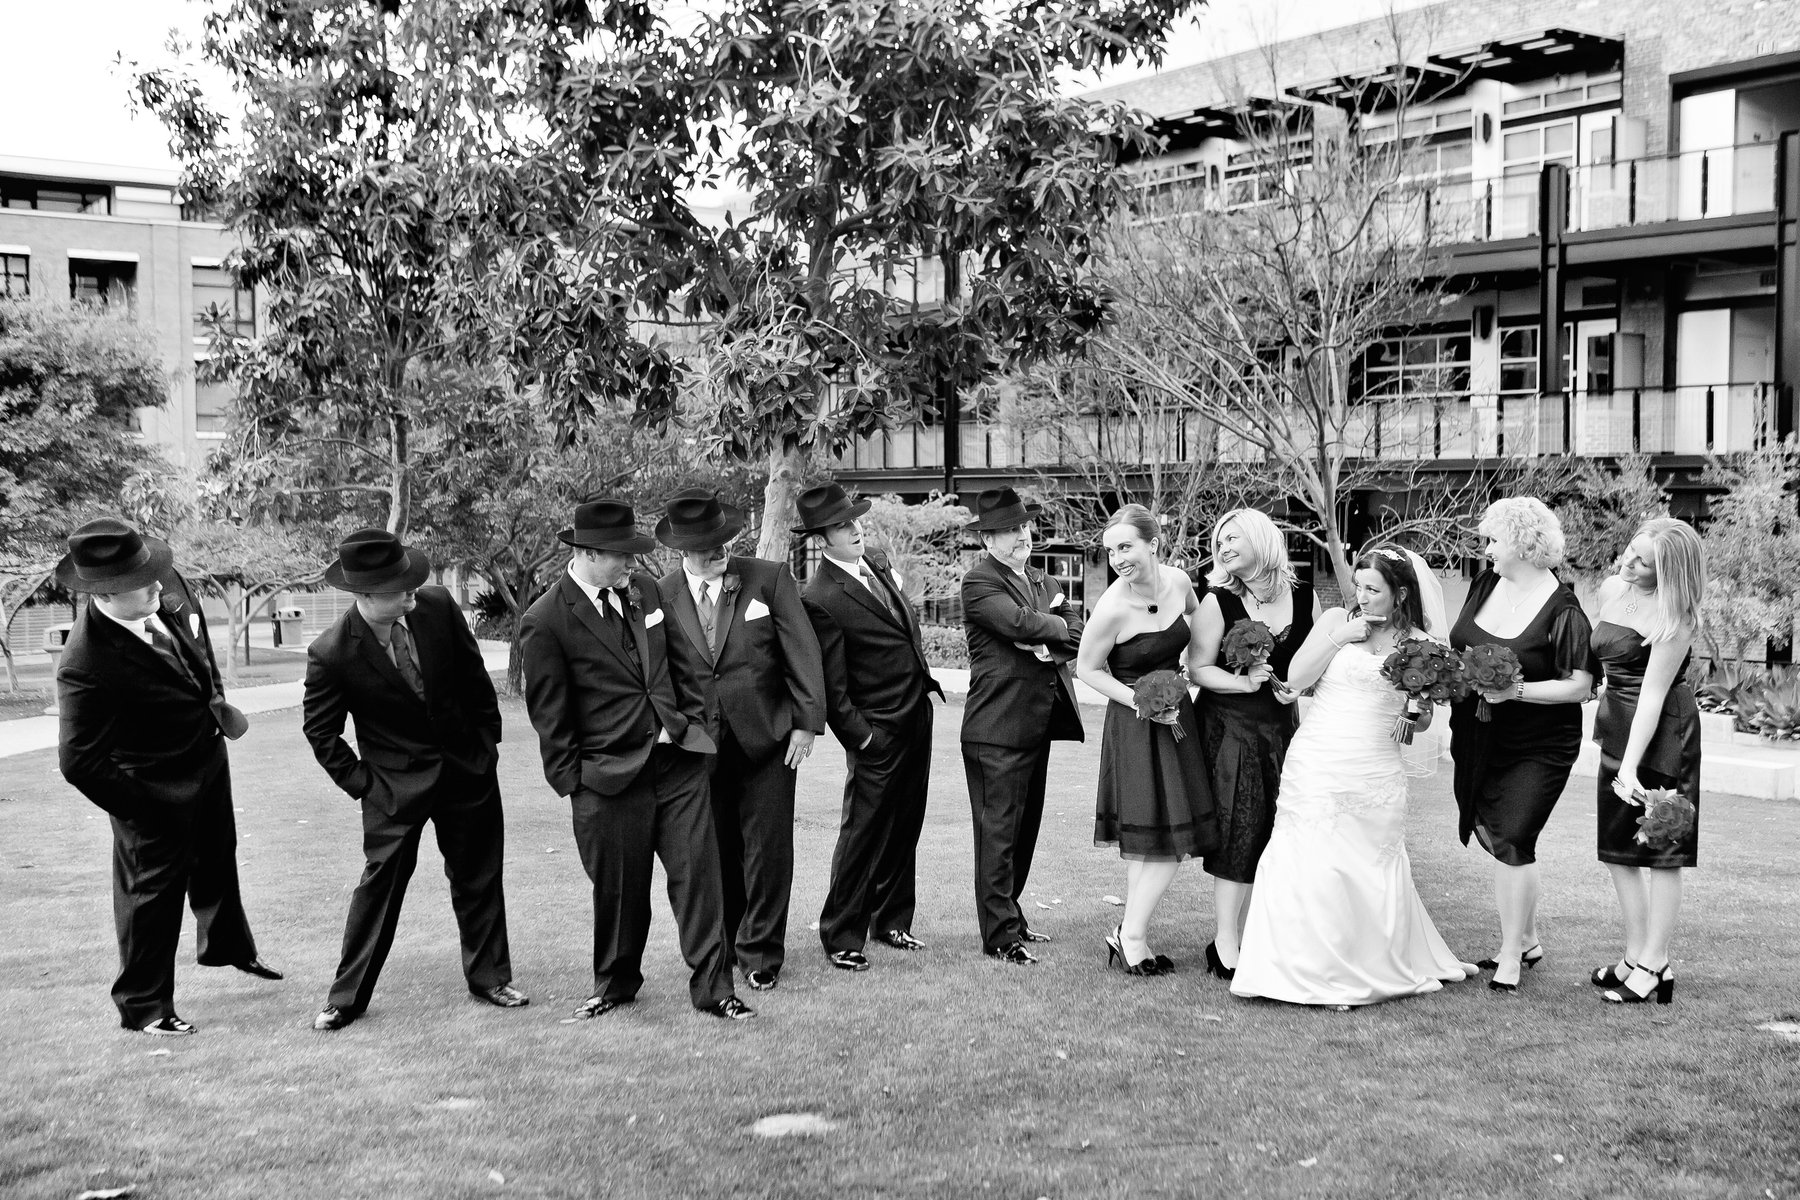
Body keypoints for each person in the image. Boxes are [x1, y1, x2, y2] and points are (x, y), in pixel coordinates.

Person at [521, 498, 753, 1021]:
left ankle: (716, 990)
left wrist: (691, 729)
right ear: (587, 553)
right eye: (621, 555)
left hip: (678, 767)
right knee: (620, 893)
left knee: (700, 881)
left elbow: (682, 664)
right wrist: (576, 783)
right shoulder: (546, 620)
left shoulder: (645, 591)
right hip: (606, 780)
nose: (633, 562)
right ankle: (615, 983)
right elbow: (550, 716)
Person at [54, 516, 279, 1036]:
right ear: (104, 594)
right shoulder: (85, 662)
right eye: (142, 583)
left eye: (153, 574)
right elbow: (78, 761)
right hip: (151, 788)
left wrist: (215, 701)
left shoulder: (162, 586)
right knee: (151, 895)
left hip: (206, 756)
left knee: (218, 855)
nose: (158, 586)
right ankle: (145, 1007)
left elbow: (197, 649)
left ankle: (228, 947)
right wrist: (145, 808)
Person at [1230, 546, 1476, 1008]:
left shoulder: (1422, 645)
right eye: (1358, 586)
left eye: (1373, 589)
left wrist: (1417, 709)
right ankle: (1293, 969)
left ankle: (1356, 968)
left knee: (1365, 865)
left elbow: (1423, 724)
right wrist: (1340, 636)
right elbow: (1297, 677)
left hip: (1375, 765)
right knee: (1306, 859)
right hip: (1317, 758)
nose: (1362, 597)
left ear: (1400, 593)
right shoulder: (1335, 621)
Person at [302, 529, 526, 1031]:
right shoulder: (331, 652)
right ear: (365, 595)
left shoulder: (437, 606)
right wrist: (365, 785)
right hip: (393, 789)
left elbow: (474, 678)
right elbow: (321, 733)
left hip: (467, 772)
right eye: (400, 590)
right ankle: (346, 998)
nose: (411, 594)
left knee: (479, 878)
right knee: (378, 889)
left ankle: (490, 978)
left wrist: (486, 746)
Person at [654, 488, 826, 993]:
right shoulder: (660, 594)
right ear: (681, 550)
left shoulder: (768, 578)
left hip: (769, 739)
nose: (719, 549)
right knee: (717, 850)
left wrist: (806, 722)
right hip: (698, 746)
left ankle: (761, 954)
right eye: (706, 545)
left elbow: (803, 650)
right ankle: (726, 944)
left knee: (769, 851)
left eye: (722, 539)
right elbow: (657, 673)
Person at [1447, 497, 1595, 994]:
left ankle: (1510, 955)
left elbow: (1579, 686)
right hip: (1477, 734)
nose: (1486, 549)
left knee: (1514, 837)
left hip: (1539, 744)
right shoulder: (1484, 584)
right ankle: (1528, 940)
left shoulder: (1564, 610)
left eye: (1494, 540)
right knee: (1501, 833)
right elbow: (1460, 646)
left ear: (1525, 545)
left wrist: (1516, 691)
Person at [797, 483, 944, 971]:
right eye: (842, 526)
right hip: (876, 731)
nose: (855, 529)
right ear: (822, 539)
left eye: (855, 520)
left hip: (916, 716)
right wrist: (862, 737)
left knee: (905, 825)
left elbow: (902, 630)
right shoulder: (819, 596)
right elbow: (832, 686)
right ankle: (841, 934)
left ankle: (891, 921)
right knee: (862, 833)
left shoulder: (876, 564)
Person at [1075, 504, 1219, 976]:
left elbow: (1198, 621)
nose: (1117, 558)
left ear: (1153, 543)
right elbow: (1086, 669)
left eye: (1125, 547)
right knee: (1162, 837)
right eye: (1110, 551)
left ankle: (1127, 933)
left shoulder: (1179, 582)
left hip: (1180, 720)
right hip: (1136, 726)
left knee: (1157, 837)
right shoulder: (1112, 608)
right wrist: (1142, 703)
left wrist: (1194, 671)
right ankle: (1132, 936)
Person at [959, 487, 1085, 965]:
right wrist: (1050, 624)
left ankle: (1012, 915)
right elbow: (1016, 624)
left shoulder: (1042, 578)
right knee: (998, 835)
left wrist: (1049, 633)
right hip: (996, 729)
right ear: (987, 539)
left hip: (1037, 726)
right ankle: (999, 937)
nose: (1021, 536)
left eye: (1023, 526)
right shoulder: (979, 582)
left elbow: (1077, 631)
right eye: (1009, 530)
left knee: (1024, 831)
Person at [1190, 508, 1316, 981]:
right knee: (1239, 828)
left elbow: (1316, 662)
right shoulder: (1218, 601)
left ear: (1261, 539)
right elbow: (1198, 668)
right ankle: (1225, 941)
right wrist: (1243, 683)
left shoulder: (1304, 596)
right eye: (1219, 541)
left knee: (1275, 832)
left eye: (1232, 538)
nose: (1222, 547)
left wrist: (1298, 687)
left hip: (1283, 729)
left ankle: (1262, 933)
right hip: (1231, 728)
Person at [1589, 516, 1706, 1006]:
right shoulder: (1613, 588)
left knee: (1662, 852)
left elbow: (1654, 694)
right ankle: (1635, 955)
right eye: (1630, 551)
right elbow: (1606, 662)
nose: (1628, 563)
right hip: (1619, 725)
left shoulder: (1675, 618)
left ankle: (1655, 964)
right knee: (1616, 850)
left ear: (1669, 572)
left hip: (1664, 738)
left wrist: (1630, 766)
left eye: (1644, 562)